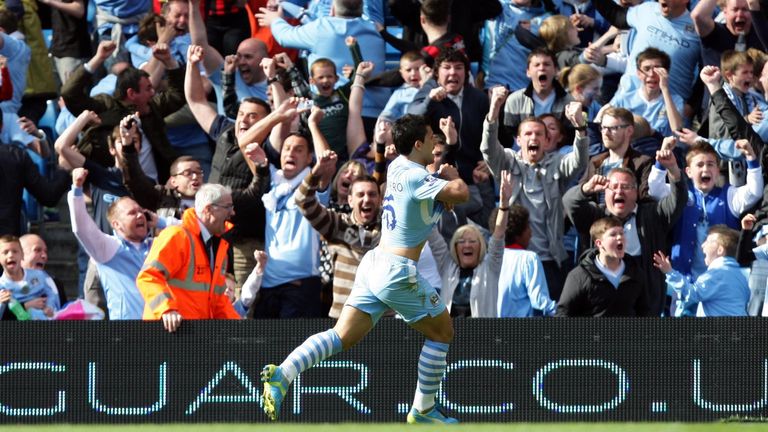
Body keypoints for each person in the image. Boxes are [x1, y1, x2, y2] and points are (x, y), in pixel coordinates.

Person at [259, 114, 469, 424]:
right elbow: (461, 193)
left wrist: (441, 179)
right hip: (397, 270)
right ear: (418, 143)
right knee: (443, 332)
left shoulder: (399, 167)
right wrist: (452, 175)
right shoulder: (416, 176)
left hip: (375, 264)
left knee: (341, 336)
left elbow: (434, 194)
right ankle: (423, 410)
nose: (437, 142)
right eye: (432, 137)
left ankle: (284, 373)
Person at [482, 89, 589, 301]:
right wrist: (494, 110)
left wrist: (580, 128)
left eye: (539, 134)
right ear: (518, 139)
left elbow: (579, 162)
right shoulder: (507, 161)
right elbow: (488, 149)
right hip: (513, 257)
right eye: (528, 134)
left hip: (550, 260)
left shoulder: (557, 164)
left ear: (546, 140)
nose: (534, 138)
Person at [563, 158, 687, 316]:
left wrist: (673, 168)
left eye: (625, 187)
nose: (619, 192)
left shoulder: (653, 214)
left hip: (645, 298)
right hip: (602, 300)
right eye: (613, 187)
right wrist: (586, 188)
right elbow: (569, 202)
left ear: (636, 192)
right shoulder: (595, 216)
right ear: (604, 193)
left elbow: (679, 199)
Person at [137, 183, 241, 332]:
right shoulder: (177, 236)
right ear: (208, 210)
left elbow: (218, 300)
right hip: (168, 334)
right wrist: (166, 310)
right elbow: (148, 277)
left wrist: (239, 329)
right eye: (228, 207)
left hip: (193, 336)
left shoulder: (216, 245)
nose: (232, 213)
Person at [69, 167, 162, 319]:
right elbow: (82, 227)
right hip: (127, 333)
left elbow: (188, 233)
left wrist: (160, 221)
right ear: (116, 224)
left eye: (141, 211)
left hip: (163, 328)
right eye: (132, 213)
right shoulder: (108, 248)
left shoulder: (157, 245)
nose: (140, 215)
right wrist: (77, 189)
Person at [295, 158, 381, 319]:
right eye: (360, 194)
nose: (367, 199)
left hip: (383, 319)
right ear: (350, 200)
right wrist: (316, 172)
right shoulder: (337, 224)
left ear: (380, 199)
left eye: (372, 194)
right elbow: (302, 200)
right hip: (343, 319)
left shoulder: (391, 229)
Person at [429, 170, 512, 317]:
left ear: (480, 246)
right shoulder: (447, 266)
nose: (467, 245)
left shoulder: (490, 267)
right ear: (455, 247)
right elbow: (431, 232)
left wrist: (504, 205)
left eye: (472, 241)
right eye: (461, 241)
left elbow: (498, 234)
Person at [557, 216, 650, 317]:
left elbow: (644, 311)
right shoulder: (579, 276)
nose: (620, 237)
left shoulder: (635, 273)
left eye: (622, 233)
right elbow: (563, 313)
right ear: (599, 243)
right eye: (613, 234)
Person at [654, 226, 750, 316]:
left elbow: (692, 294)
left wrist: (670, 272)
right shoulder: (741, 276)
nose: (702, 245)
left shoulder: (717, 273)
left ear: (720, 250)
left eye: (708, 241)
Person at [0, 143, 70, 237]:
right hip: (8, 242)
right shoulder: (16, 155)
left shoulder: (16, 155)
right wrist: (64, 169)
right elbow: (48, 196)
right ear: (2, 127)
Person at [498, 204, 556, 317]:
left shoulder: (488, 258)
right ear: (517, 233)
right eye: (528, 227)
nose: (531, 233)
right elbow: (540, 301)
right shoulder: (529, 259)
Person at [0, 235, 60, 320]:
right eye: (5, 252)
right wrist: (25, 306)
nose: (10, 255)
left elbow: (52, 295)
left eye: (15, 251)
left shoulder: (41, 276)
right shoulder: (2, 287)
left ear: (22, 255)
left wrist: (49, 306)